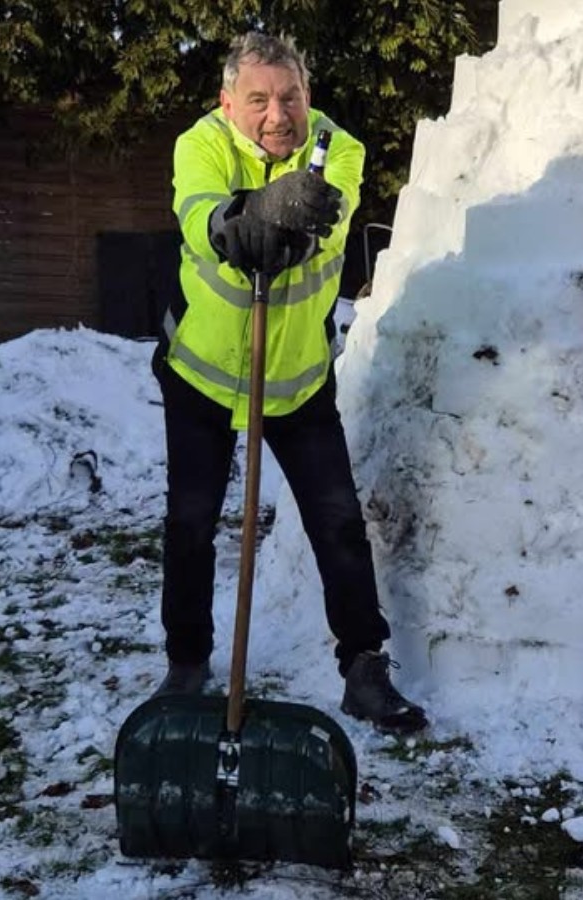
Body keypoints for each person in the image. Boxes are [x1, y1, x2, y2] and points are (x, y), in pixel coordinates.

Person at [150, 31, 427, 735]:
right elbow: (201, 216)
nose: (277, 114)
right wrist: (245, 216)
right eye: (258, 100)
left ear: (308, 96)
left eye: (291, 96)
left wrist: (290, 220)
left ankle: (363, 666)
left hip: (298, 382)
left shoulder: (341, 150)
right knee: (189, 522)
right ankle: (187, 663)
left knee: (337, 523)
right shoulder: (199, 145)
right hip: (203, 377)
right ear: (227, 103)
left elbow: (322, 233)